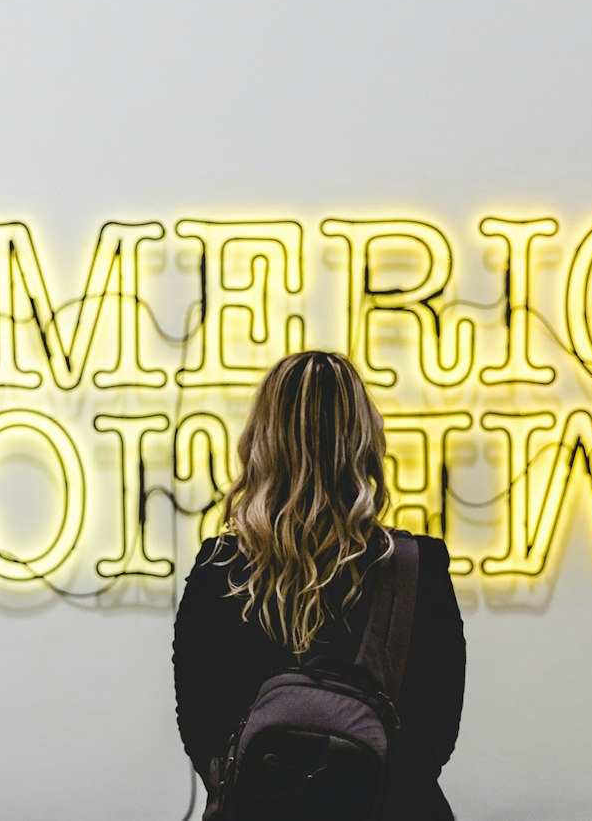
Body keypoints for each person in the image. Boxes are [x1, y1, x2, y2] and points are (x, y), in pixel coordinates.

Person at [173, 350, 466, 820]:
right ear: (366, 438)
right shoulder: (416, 566)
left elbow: (204, 733)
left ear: (259, 439)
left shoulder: (218, 568)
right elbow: (434, 734)